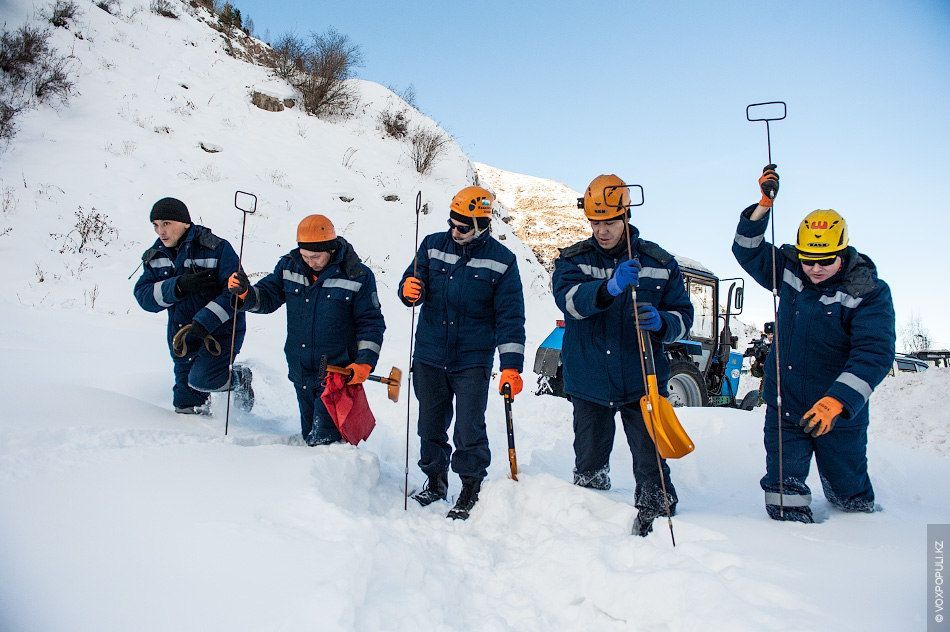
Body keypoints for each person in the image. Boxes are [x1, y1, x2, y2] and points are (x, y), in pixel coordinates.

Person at [732, 164, 896, 523]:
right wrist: (763, 205)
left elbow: (874, 354)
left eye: (825, 261)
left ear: (844, 252)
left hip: (836, 413)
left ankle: (861, 546)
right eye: (809, 260)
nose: (815, 269)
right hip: (785, 404)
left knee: (849, 500)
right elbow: (746, 249)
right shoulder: (790, 270)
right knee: (782, 498)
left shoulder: (867, 291)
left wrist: (837, 401)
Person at [552, 174, 694, 536]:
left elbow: (684, 317)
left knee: (652, 465)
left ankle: (657, 514)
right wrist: (608, 287)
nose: (602, 231)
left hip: (641, 380)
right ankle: (589, 527)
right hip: (589, 379)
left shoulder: (659, 262)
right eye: (595, 222)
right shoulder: (573, 260)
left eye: (610, 222)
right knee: (589, 465)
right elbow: (570, 303)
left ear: (626, 216)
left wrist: (663, 323)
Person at [398, 185, 526, 520]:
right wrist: (408, 290)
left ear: (482, 224)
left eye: (463, 226)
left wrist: (511, 366)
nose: (455, 231)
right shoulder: (431, 245)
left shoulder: (502, 261)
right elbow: (411, 285)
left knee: (469, 427)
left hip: (472, 358)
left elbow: (510, 317)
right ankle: (435, 480)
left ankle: (470, 486)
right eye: (452, 223)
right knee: (430, 424)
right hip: (429, 353)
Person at [228, 214, 385, 446]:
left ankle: (332, 478)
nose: (310, 261)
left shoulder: (357, 275)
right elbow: (268, 298)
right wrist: (245, 294)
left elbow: (370, 323)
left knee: (325, 441)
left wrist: (365, 362)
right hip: (300, 366)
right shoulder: (289, 267)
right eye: (305, 256)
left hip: (336, 371)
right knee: (309, 432)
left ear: (330, 249)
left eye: (316, 256)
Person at [134, 197, 253, 414]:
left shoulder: (217, 248)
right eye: (156, 225)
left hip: (220, 332)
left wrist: (204, 321)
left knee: (204, 380)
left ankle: (239, 378)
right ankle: (197, 443)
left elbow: (236, 294)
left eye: (166, 223)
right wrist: (177, 286)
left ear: (185, 222)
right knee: (186, 406)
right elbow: (144, 297)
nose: (161, 231)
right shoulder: (155, 256)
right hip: (182, 336)